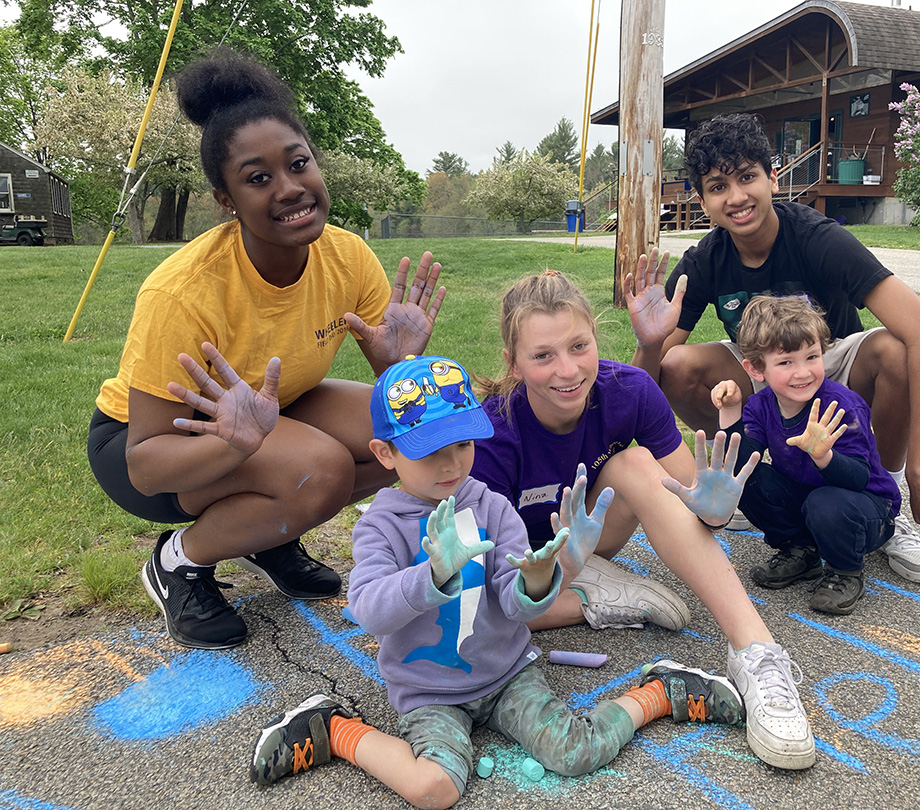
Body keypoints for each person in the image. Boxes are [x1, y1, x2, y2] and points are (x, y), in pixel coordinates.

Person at [248, 354, 745, 808]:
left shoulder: (489, 505)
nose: (451, 464)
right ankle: (331, 729)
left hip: (508, 673)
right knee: (433, 789)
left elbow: (517, 609)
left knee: (575, 752)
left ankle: (661, 692)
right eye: (429, 451)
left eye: (463, 444)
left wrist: (543, 576)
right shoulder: (381, 525)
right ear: (384, 453)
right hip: (429, 692)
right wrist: (433, 575)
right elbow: (369, 610)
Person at [86, 48, 445, 651]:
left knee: (408, 430)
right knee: (322, 472)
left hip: (269, 416)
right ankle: (178, 563)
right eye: (258, 178)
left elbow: (398, 395)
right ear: (228, 202)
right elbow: (144, 465)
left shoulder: (347, 255)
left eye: (298, 163)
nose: (289, 188)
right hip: (154, 444)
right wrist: (232, 444)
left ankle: (272, 530)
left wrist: (400, 359)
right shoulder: (183, 291)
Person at [470, 270, 816, 770]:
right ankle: (595, 595)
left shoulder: (628, 389)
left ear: (596, 337)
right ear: (514, 363)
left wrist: (714, 511)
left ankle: (758, 654)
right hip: (518, 575)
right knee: (474, 615)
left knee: (633, 464)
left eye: (578, 346)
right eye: (542, 355)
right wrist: (556, 583)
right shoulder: (493, 433)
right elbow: (483, 582)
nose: (567, 370)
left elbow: (684, 493)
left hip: (589, 540)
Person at [625, 112, 920, 585]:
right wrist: (649, 343)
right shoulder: (704, 261)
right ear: (702, 200)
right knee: (676, 363)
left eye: (747, 177)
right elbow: (646, 381)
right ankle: (743, 476)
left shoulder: (820, 238)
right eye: (718, 186)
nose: (736, 197)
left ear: (772, 177)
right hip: (762, 373)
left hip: (832, 360)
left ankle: (886, 496)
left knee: (897, 352)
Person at [713, 296, 901, 615]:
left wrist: (825, 456)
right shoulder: (760, 407)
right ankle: (802, 551)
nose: (803, 372)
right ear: (756, 369)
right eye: (786, 362)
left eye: (811, 357)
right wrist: (731, 411)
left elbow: (859, 477)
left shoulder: (842, 406)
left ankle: (845, 570)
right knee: (749, 481)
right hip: (813, 500)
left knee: (825, 502)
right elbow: (743, 465)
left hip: (868, 509)